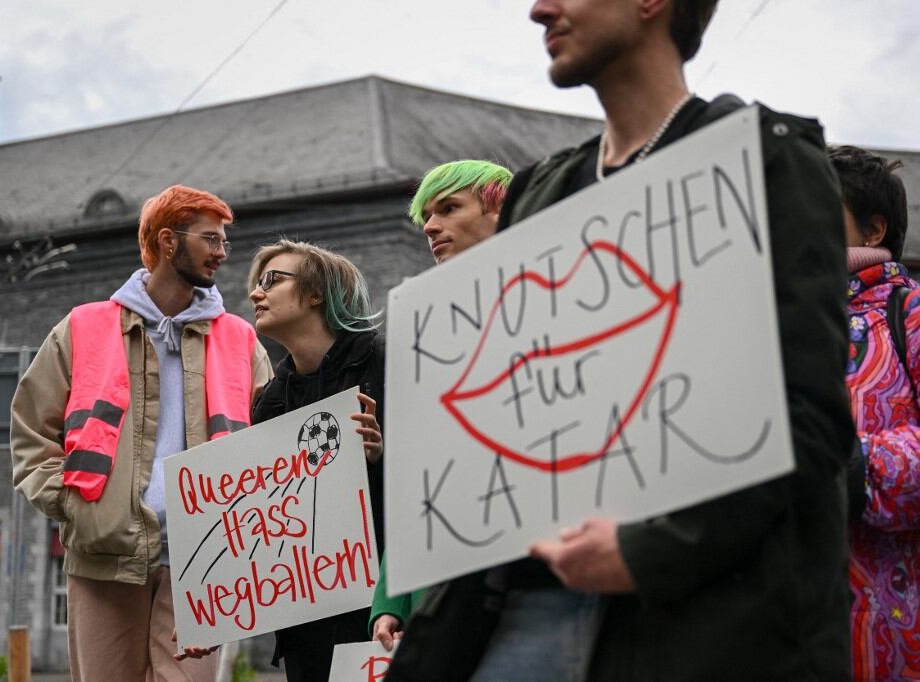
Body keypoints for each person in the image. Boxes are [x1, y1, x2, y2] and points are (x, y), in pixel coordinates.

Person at [396, 1, 857, 680]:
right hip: (519, 610)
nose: (537, 9)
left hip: (694, 624)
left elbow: (811, 419)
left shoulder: (768, 160)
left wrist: (650, 551)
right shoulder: (541, 196)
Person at [10, 184, 273, 681]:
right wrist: (76, 507)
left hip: (204, 558)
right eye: (211, 239)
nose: (222, 253)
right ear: (169, 242)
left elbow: (270, 436)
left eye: (224, 242)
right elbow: (31, 429)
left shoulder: (239, 338)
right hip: (105, 556)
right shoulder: (85, 327)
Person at [369, 160, 514, 652]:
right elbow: (420, 473)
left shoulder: (550, 303)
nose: (430, 226)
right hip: (443, 586)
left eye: (449, 208)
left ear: (501, 209)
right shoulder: (426, 331)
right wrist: (392, 598)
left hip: (528, 580)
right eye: (426, 215)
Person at [247, 239, 385, 682]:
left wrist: (382, 457)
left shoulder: (384, 362)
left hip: (381, 611)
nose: (255, 293)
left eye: (273, 280)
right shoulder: (270, 402)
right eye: (257, 283)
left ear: (316, 293)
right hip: (307, 617)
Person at [830, 145, 920, 681]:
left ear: (874, 231)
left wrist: (854, 466)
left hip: (889, 631)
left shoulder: (907, 312)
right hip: (784, 626)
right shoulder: (775, 319)